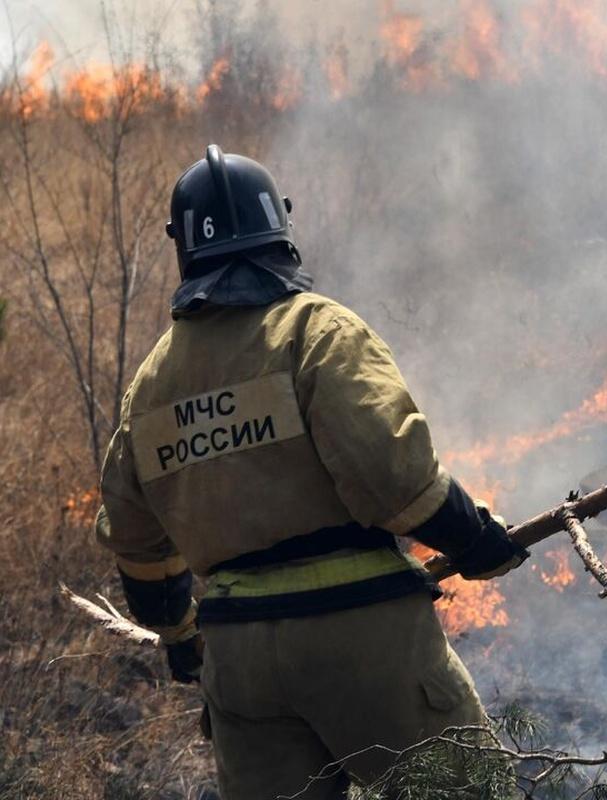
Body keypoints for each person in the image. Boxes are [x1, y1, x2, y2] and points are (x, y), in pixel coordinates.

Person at [94, 144, 527, 799]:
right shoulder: (314, 331)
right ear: (280, 228)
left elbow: (135, 541)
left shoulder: (152, 384)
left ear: (183, 248)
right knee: (471, 793)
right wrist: (478, 543)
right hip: (359, 636)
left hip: (238, 662)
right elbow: (392, 473)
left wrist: (181, 634)